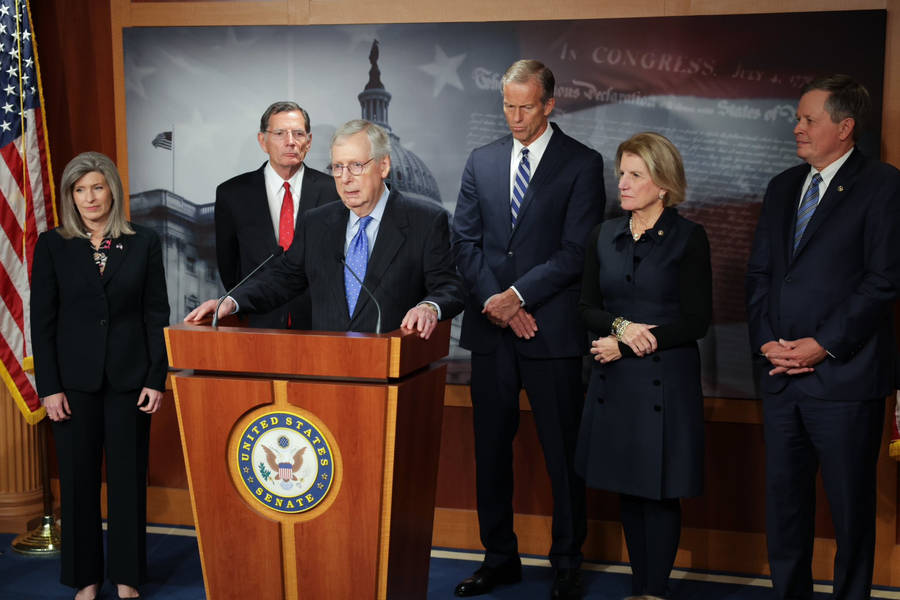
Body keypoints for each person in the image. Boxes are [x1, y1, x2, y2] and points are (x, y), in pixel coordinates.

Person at [451, 59, 605, 599]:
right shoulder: (482, 159)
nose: (514, 116)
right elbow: (464, 243)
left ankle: (567, 561)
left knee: (562, 454)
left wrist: (517, 297)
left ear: (549, 104)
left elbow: (576, 251)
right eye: (507, 105)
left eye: (525, 107)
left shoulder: (582, 164)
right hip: (492, 333)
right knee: (490, 452)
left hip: (552, 332)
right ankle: (499, 558)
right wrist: (498, 303)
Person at [746, 74, 900, 600]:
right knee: (785, 507)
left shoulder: (882, 185)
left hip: (843, 379)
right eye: (798, 118)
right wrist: (768, 341)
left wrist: (822, 345)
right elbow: (761, 276)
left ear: (845, 127)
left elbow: (883, 282)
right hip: (780, 377)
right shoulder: (782, 186)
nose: (798, 128)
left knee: (850, 509)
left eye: (810, 119)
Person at [575, 132, 712, 598]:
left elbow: (696, 321)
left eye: (636, 175)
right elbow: (587, 308)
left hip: (665, 383)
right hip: (615, 382)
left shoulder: (690, 238)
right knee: (628, 487)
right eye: (621, 174)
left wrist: (629, 343)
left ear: (664, 185)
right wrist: (618, 327)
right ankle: (640, 587)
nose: (624, 183)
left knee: (659, 490)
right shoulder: (603, 234)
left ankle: (654, 590)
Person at [30, 152, 170, 600]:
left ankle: (127, 578)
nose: (89, 197)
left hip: (131, 382)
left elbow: (155, 314)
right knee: (77, 483)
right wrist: (49, 387)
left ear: (112, 189)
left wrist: (156, 377)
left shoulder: (144, 242)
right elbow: (42, 323)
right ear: (71, 196)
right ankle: (84, 580)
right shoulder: (53, 245)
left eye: (97, 187)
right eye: (79, 189)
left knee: (128, 482)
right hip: (72, 385)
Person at [186, 119, 463, 338]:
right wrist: (232, 301)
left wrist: (429, 307)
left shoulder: (425, 221)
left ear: (384, 166)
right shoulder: (317, 222)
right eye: (338, 167)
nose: (344, 179)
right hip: (327, 372)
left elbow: (449, 286)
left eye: (356, 166)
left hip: (394, 373)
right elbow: (283, 278)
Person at [215, 101, 339, 329]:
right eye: (280, 133)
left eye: (298, 133)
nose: (290, 142)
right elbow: (229, 267)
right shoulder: (232, 194)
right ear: (263, 141)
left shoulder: (335, 191)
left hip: (320, 324)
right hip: (258, 323)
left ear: (308, 141)